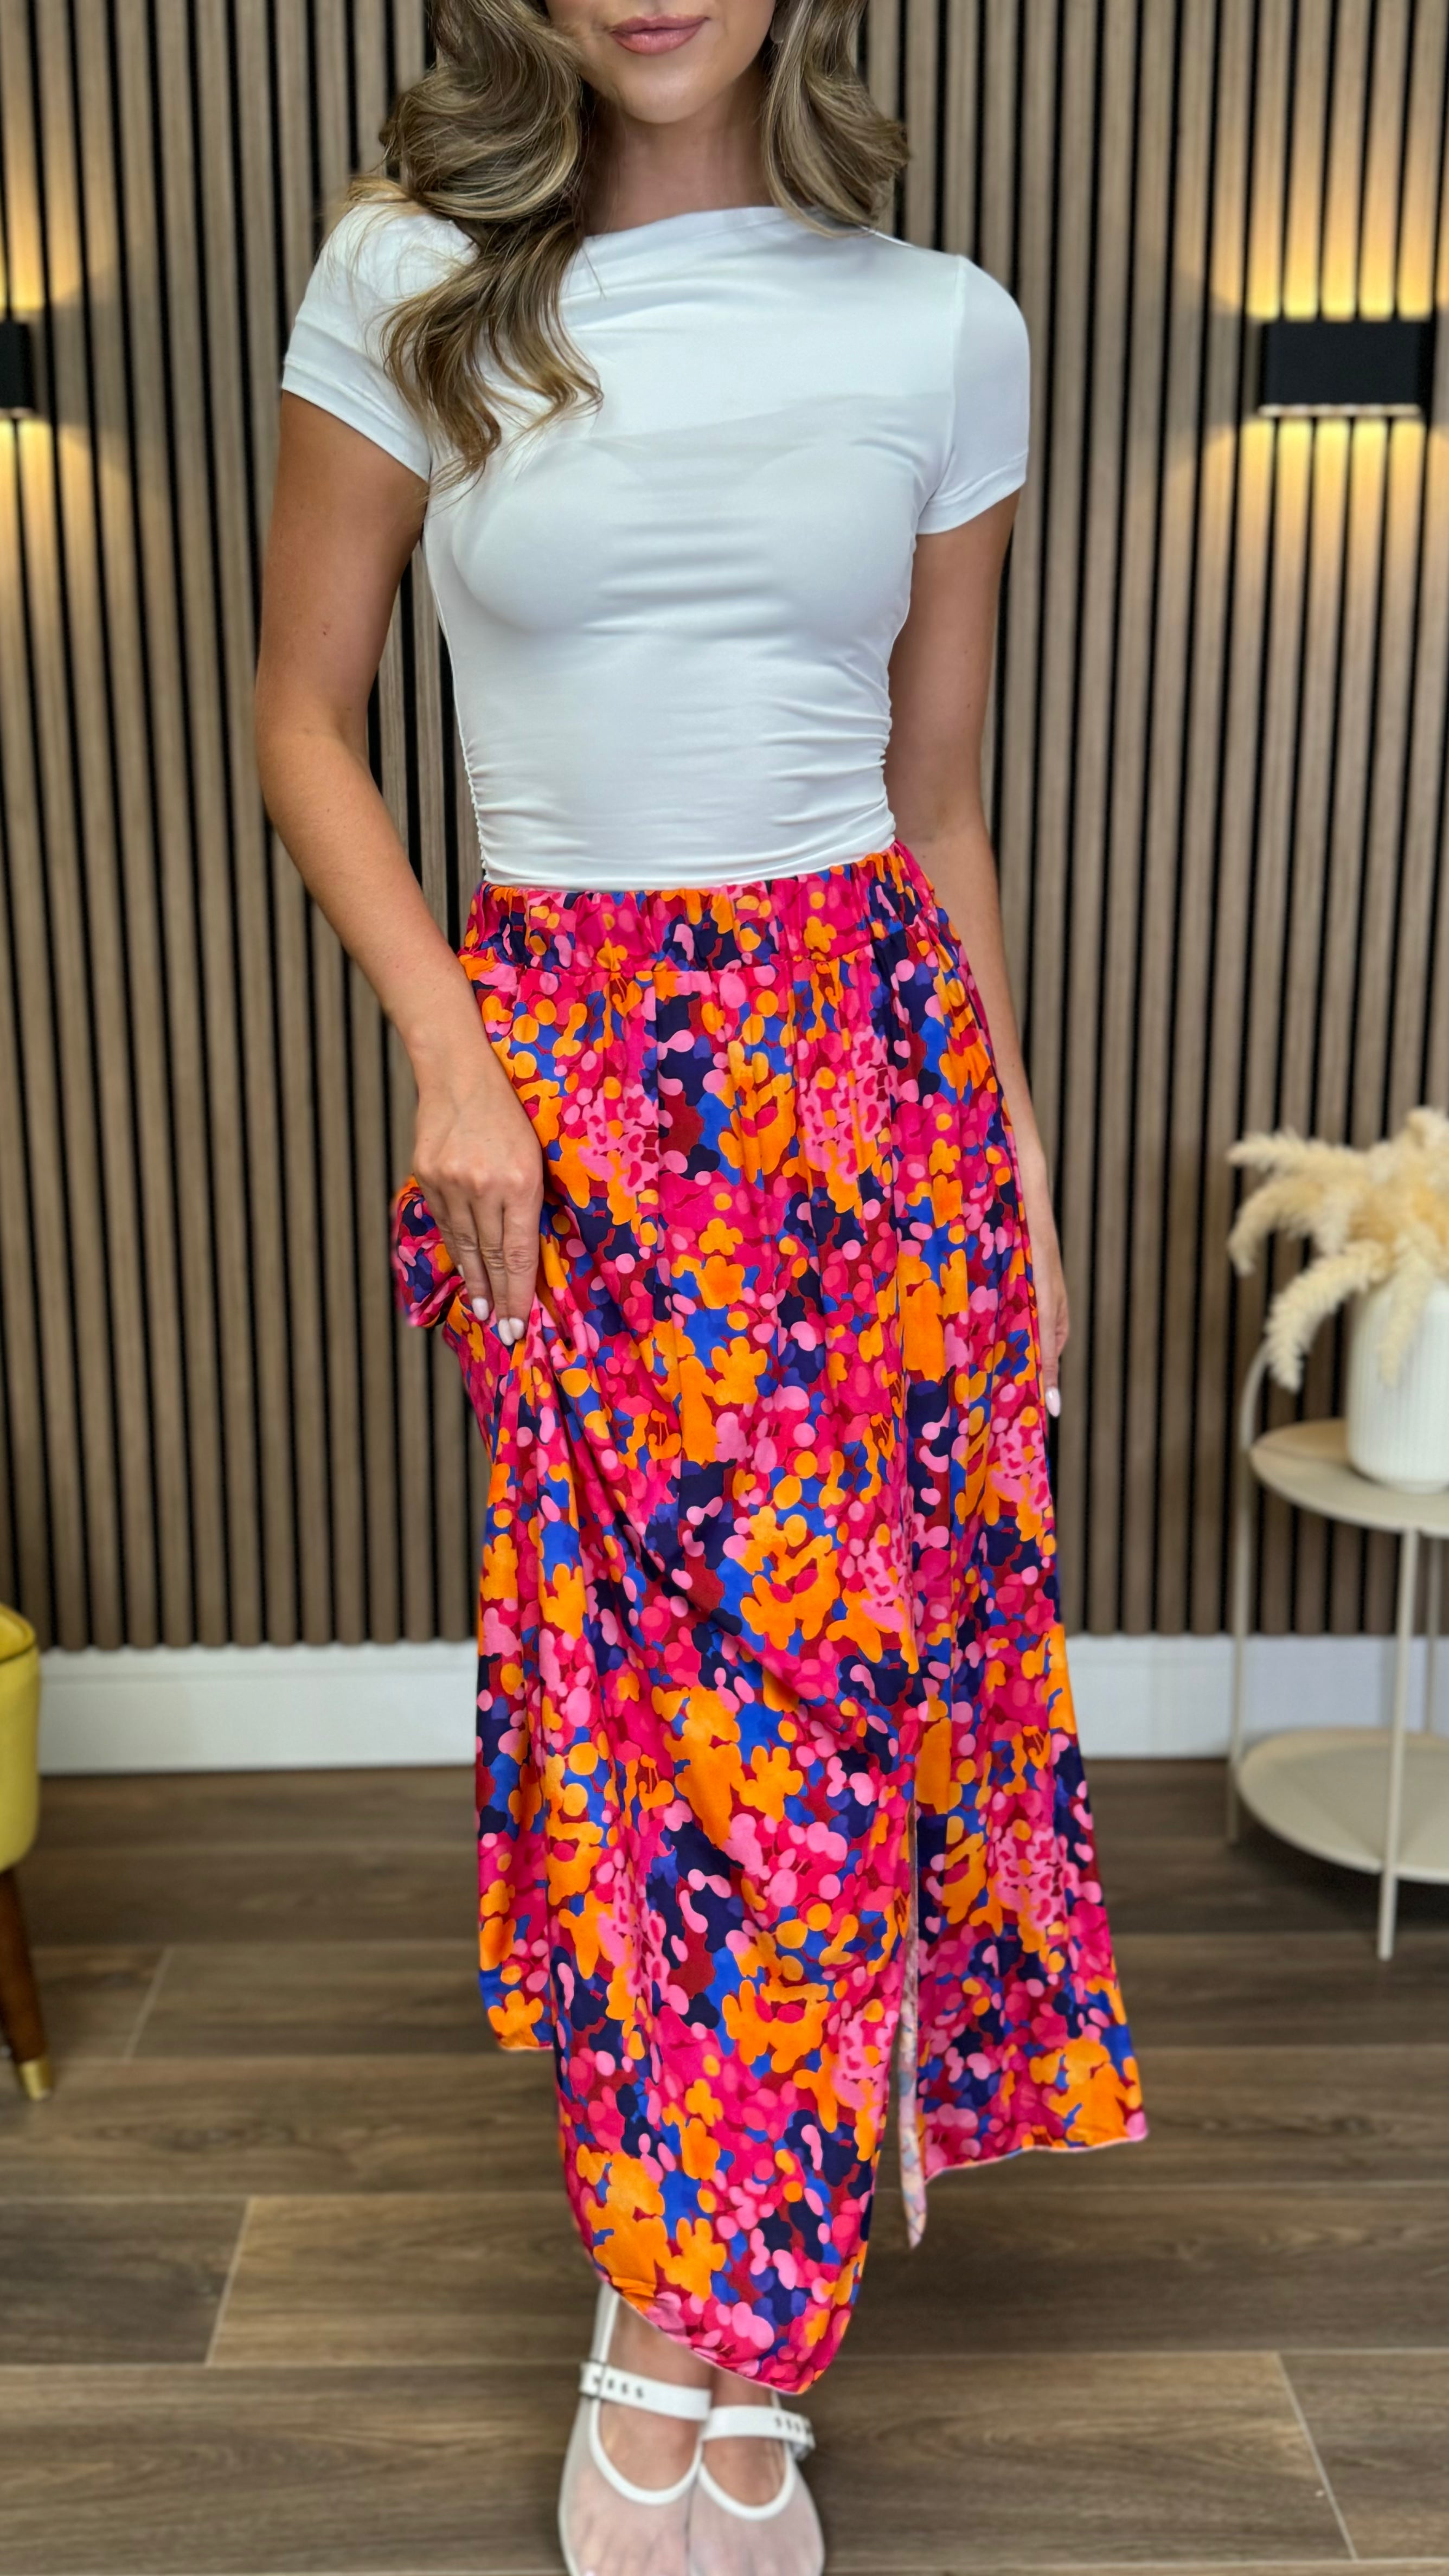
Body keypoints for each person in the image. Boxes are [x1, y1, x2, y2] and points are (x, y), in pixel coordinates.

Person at [255, 3, 1146, 2570]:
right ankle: (698, 2299)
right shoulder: (409, 276)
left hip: (866, 1079)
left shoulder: (940, 326)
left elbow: (933, 796)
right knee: (664, 1727)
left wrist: (1014, 1161)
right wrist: (451, 1052)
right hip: (575, 1083)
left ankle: (714, 2336)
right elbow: (303, 715)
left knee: (827, 1717)